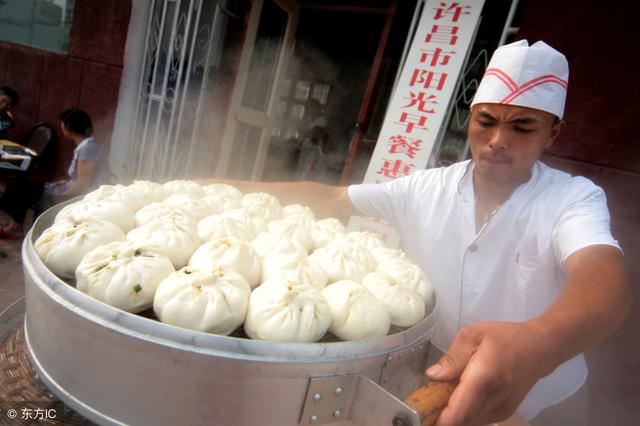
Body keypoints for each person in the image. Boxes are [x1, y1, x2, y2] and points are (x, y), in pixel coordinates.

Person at [201, 40, 631, 425]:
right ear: (470, 120)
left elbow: (602, 273)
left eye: (522, 127)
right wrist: (210, 188)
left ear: (553, 134)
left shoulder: (571, 199)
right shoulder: (427, 189)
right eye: (486, 121)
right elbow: (334, 198)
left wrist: (538, 344)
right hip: (441, 386)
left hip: (548, 397)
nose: (498, 140)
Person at [0, 108, 103, 239]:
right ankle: (15, 227)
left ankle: (35, 235)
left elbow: (83, 184)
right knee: (20, 185)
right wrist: (66, 183)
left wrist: (60, 197)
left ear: (67, 126)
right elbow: (81, 177)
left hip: (80, 194)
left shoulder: (88, 148)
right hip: (70, 187)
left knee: (38, 197)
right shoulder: (84, 146)